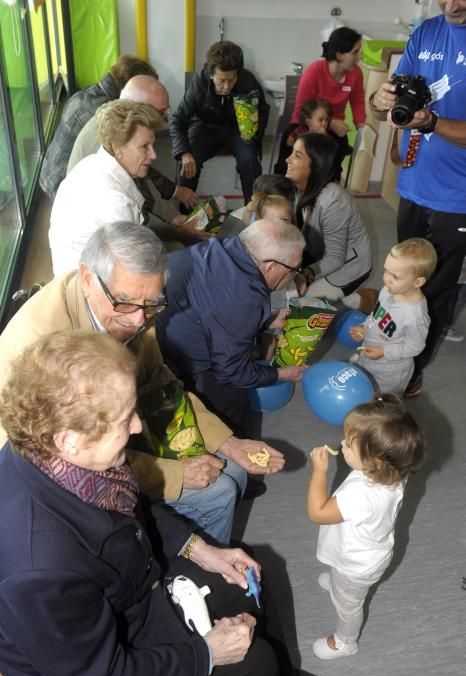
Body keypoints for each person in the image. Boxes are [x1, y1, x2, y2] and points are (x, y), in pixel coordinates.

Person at [0, 329, 323, 676]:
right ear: (69, 440)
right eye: (125, 421)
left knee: (245, 573)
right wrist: (207, 654)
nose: (138, 426)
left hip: (131, 588)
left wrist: (199, 548)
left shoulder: (59, 455)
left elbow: (135, 509)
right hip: (102, 675)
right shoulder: (39, 569)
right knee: (254, 667)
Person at [0, 223, 285, 544]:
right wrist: (174, 474)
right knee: (218, 492)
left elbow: (162, 386)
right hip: (52, 469)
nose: (139, 320)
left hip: (111, 429)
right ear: (86, 277)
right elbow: (69, 458)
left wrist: (229, 442)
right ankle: (184, 569)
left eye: (152, 304)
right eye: (124, 302)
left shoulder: (135, 305)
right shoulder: (43, 345)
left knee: (232, 469)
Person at [368, 0, 466, 396]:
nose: (452, 4)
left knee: (435, 285)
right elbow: (388, 103)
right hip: (413, 183)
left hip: (457, 195)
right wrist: (381, 100)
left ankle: (412, 368)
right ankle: (386, 340)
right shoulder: (426, 31)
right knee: (400, 276)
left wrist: (434, 122)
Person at [156, 219, 307, 436]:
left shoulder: (226, 245)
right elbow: (231, 373)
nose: (294, 275)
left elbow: (212, 306)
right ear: (271, 266)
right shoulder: (245, 297)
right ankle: (236, 458)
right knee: (235, 405)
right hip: (178, 361)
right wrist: (281, 374)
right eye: (294, 269)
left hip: (165, 326)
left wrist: (262, 321)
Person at [307, 394, 425, 659]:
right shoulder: (392, 470)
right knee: (345, 587)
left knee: (348, 605)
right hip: (366, 554)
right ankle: (342, 586)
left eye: (348, 444)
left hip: (355, 565)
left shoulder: (362, 493)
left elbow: (317, 512)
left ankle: (346, 642)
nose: (341, 444)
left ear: (374, 461)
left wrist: (319, 472)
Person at [48, 99, 198, 275]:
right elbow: (132, 271)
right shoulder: (115, 202)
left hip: (74, 271)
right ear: (117, 147)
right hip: (89, 286)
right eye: (144, 147)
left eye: (153, 145)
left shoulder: (90, 163)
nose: (154, 154)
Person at [67, 74, 200, 218]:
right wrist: (177, 228)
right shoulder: (106, 140)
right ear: (138, 110)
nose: (165, 120)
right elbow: (139, 214)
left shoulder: (118, 127)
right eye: (161, 113)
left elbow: (143, 176)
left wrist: (174, 199)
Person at [39, 53, 158, 201]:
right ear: (131, 85)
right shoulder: (104, 114)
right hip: (62, 187)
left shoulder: (89, 92)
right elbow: (122, 164)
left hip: (47, 174)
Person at [285, 133, 376, 313]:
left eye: (297, 155)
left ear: (316, 165)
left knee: (294, 308)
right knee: (280, 291)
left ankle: (362, 299)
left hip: (347, 267)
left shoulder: (334, 200)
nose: (288, 159)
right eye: (292, 153)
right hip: (317, 255)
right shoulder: (296, 187)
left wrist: (305, 275)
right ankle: (341, 296)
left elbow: (335, 258)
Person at [170, 40, 269, 205]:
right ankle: (186, 214)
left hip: (236, 130)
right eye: (222, 80)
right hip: (205, 128)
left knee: (250, 161)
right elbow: (178, 120)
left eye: (232, 79)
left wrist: (254, 135)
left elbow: (262, 111)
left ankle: (254, 211)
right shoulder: (200, 83)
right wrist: (184, 152)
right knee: (188, 162)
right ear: (211, 73)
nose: (227, 86)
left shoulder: (247, 80)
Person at [349, 239, 437, 394]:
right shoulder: (388, 290)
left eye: (395, 276)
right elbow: (376, 315)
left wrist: (384, 352)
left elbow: (415, 346)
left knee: (382, 404)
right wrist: (364, 327)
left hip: (390, 372)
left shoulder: (415, 316)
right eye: (386, 271)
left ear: (418, 281)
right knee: (364, 390)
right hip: (369, 353)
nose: (386, 279)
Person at [275, 28, 365, 177]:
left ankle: (328, 188)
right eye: (355, 52)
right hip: (305, 122)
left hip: (334, 129)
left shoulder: (356, 73)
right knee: (288, 142)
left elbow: (358, 102)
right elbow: (302, 110)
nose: (359, 56)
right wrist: (329, 123)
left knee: (335, 156)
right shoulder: (314, 70)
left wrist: (362, 125)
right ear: (339, 55)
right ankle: (283, 188)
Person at [274, 99, 331, 175]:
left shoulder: (325, 136)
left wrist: (324, 139)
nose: (324, 123)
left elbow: (326, 155)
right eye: (320, 120)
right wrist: (292, 138)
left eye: (326, 120)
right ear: (308, 122)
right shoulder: (301, 132)